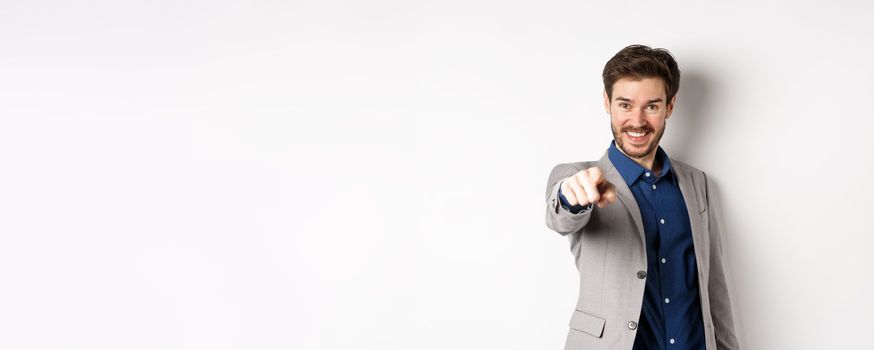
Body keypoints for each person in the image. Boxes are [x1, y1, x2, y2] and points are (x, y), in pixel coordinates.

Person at [544, 44, 739, 350]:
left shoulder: (695, 182)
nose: (637, 121)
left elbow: (714, 284)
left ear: (669, 107)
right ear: (607, 103)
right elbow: (560, 214)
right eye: (625, 105)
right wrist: (571, 195)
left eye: (651, 106)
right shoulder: (579, 177)